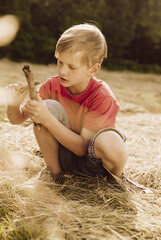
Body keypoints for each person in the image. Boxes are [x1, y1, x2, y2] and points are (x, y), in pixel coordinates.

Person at [7, 23, 129, 184]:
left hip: (94, 167)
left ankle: (114, 182)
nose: (63, 71)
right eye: (60, 62)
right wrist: (13, 105)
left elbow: (83, 149)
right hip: (64, 160)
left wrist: (47, 118)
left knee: (111, 140)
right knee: (48, 107)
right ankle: (54, 175)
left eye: (72, 66)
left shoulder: (102, 97)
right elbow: (18, 119)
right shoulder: (52, 86)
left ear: (93, 69)